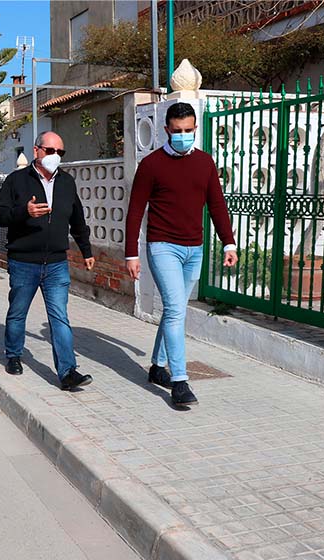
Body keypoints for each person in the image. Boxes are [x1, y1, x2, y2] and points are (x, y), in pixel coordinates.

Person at [125, 102, 238, 407]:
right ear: (166, 131)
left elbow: (216, 205)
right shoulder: (151, 165)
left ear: (195, 129)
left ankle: (157, 366)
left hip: (195, 249)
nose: (183, 136)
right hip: (163, 247)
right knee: (175, 310)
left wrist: (229, 243)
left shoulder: (205, 163)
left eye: (189, 131)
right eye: (177, 132)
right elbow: (135, 211)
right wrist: (131, 254)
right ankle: (179, 381)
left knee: (176, 309)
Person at [0, 131, 96, 392]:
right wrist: (23, 212)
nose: (55, 157)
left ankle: (68, 371)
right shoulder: (17, 180)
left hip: (57, 263)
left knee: (59, 317)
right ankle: (13, 354)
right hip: (24, 261)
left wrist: (86, 251)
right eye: (51, 151)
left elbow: (78, 220)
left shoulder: (66, 183)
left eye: (60, 153)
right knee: (18, 312)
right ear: (37, 151)